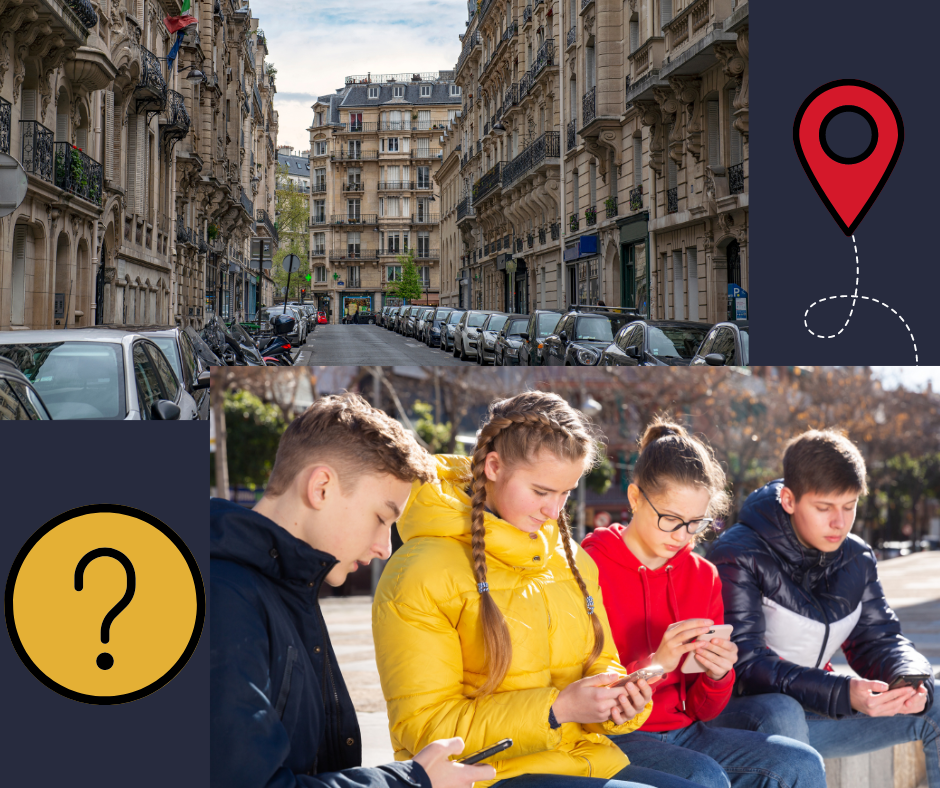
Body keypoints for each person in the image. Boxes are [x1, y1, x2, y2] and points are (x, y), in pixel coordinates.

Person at [373, 391, 706, 788]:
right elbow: (425, 728)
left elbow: (603, 664)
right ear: (494, 466)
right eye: (541, 492)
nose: (554, 511)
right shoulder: (419, 571)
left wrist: (618, 700)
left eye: (565, 493)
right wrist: (556, 709)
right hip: (484, 776)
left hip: (583, 759)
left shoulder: (573, 560)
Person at [210, 393, 498, 788]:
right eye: (381, 518)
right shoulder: (223, 597)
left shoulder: (284, 588)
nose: (384, 547)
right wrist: (410, 782)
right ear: (321, 487)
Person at [583, 420, 827, 788]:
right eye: (670, 519)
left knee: (801, 763)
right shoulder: (589, 566)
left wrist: (718, 674)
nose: (682, 536)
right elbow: (582, 691)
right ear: (635, 498)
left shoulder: (703, 575)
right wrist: (657, 664)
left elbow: (703, 710)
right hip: (608, 737)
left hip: (688, 732)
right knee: (704, 776)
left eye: (695, 523)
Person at [707, 428, 940, 786]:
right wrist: (843, 691)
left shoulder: (857, 556)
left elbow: (876, 639)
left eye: (849, 506)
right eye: (824, 507)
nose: (839, 522)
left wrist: (906, 677)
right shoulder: (737, 553)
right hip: (741, 722)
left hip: (814, 711)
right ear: (789, 499)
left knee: (936, 702)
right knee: (781, 711)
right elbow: (746, 665)